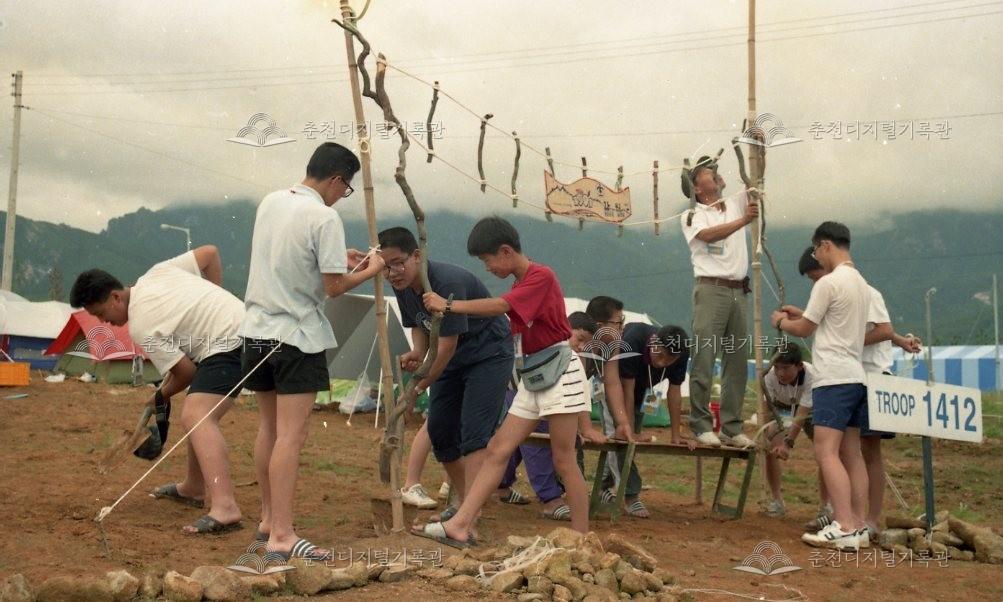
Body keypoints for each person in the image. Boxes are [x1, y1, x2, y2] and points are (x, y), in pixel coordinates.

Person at [240, 142, 385, 561]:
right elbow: (334, 287)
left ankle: (269, 520)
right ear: (337, 179)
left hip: (256, 331)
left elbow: (291, 259)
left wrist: (339, 258)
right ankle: (283, 535)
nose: (343, 195)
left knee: (269, 429)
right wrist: (372, 270)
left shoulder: (271, 202)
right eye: (346, 188)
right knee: (291, 435)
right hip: (296, 336)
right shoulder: (324, 216)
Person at [414, 216, 591, 546]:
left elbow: (500, 306)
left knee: (563, 458)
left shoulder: (541, 276)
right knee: (498, 449)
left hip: (559, 373)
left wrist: (449, 305)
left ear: (506, 251)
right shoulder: (521, 283)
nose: (488, 267)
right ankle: (461, 523)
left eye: (488, 260)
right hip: (534, 376)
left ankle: (581, 539)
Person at [70, 245, 246, 535]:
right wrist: (215, 300)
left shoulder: (141, 326)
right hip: (239, 329)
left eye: (101, 314)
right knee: (196, 407)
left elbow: (186, 373)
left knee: (197, 415)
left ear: (115, 297)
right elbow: (210, 254)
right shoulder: (156, 273)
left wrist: (159, 396)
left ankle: (226, 508)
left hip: (231, 341)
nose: (103, 322)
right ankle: (193, 487)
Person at [378, 226, 514, 519]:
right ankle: (466, 503)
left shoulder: (446, 282)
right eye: (386, 267)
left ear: (417, 255)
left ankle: (468, 516)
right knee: (440, 432)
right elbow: (417, 323)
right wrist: (417, 351)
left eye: (398, 263)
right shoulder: (401, 285)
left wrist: (416, 389)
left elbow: (446, 347)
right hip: (451, 356)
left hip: (487, 354)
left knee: (474, 434)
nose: (393, 273)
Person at [794, 246, 921, 537]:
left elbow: (883, 328)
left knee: (865, 450)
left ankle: (867, 520)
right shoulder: (838, 290)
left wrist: (846, 341)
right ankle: (849, 516)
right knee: (846, 450)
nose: (816, 283)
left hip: (866, 375)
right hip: (852, 375)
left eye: (816, 276)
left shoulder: (862, 289)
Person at [772, 222, 871, 551]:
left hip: (833, 378)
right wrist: (802, 315)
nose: (816, 257)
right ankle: (859, 525)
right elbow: (829, 322)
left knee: (826, 452)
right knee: (852, 454)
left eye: (816, 251)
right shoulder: (861, 283)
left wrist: (782, 322)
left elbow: (803, 328)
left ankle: (842, 524)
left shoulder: (828, 282)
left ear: (825, 245)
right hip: (856, 377)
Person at [680, 156, 758, 448]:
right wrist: (744, 221)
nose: (714, 173)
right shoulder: (692, 215)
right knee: (704, 356)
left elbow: (755, 179)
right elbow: (709, 235)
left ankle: (731, 427)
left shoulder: (735, 202)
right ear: (697, 188)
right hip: (711, 289)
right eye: (706, 172)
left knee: (736, 361)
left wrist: (756, 147)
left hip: (739, 290)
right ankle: (701, 425)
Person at [602, 322, 691, 518]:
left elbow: (674, 392)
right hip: (614, 389)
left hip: (643, 391)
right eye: (660, 355)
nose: (663, 363)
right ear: (653, 342)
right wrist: (630, 430)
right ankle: (631, 495)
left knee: (627, 443)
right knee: (623, 439)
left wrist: (676, 435)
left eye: (670, 360)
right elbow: (626, 391)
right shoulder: (632, 343)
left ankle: (603, 487)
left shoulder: (682, 352)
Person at [760, 342, 817, 518]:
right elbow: (766, 409)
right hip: (780, 407)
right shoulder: (768, 376)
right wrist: (767, 436)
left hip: (810, 409)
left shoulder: (811, 376)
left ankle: (827, 505)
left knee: (825, 450)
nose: (780, 373)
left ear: (799, 366)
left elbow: (802, 414)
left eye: (785, 368)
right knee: (770, 447)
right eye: (777, 367)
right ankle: (777, 501)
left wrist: (788, 443)